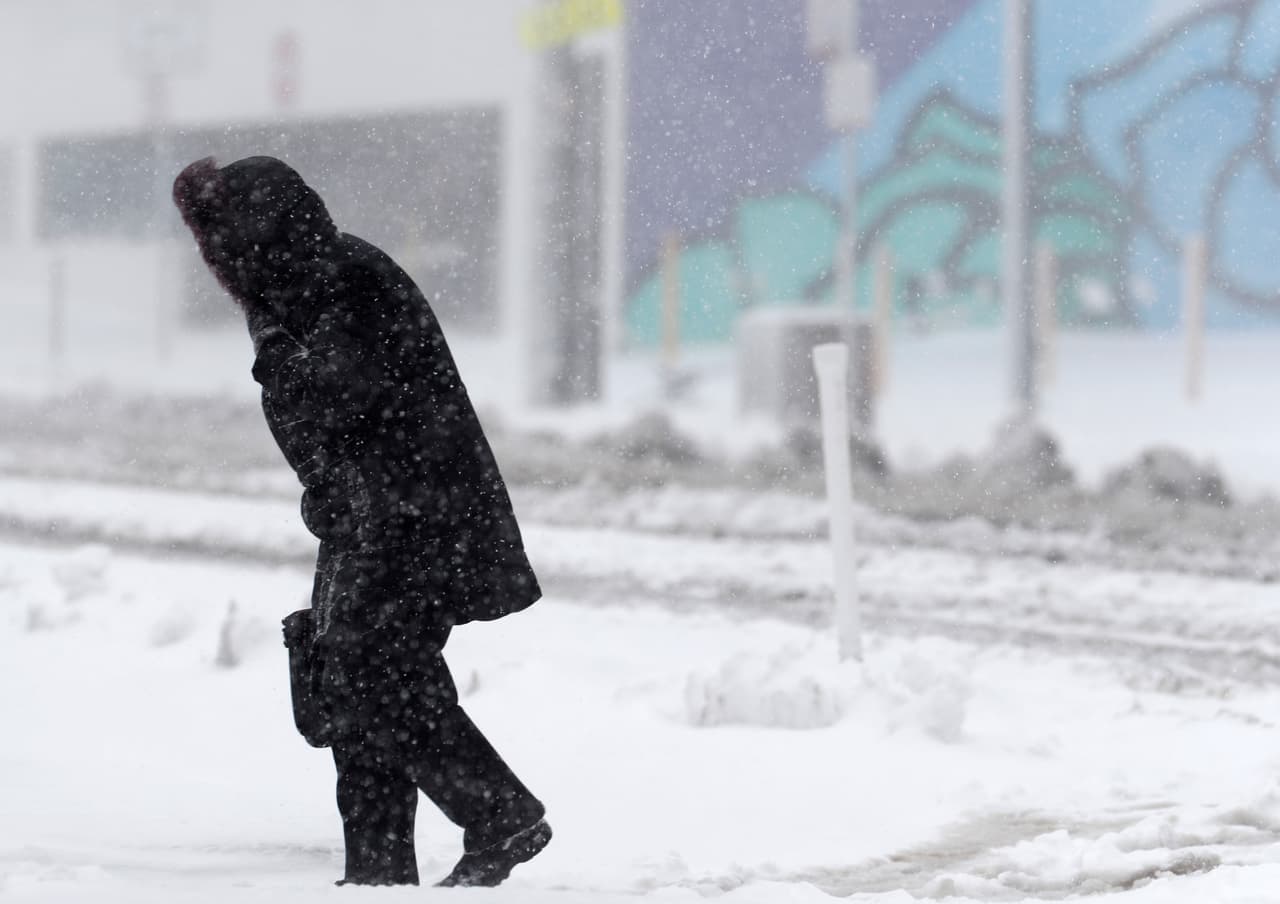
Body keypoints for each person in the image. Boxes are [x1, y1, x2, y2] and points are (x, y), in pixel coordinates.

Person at [172, 155, 551, 888]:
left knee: (366, 670)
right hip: (371, 516)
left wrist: (279, 362)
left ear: (263, 234)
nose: (220, 261)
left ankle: (498, 812)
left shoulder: (343, 280)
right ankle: (378, 876)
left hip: (414, 515)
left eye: (227, 241)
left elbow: (343, 397)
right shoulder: (299, 290)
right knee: (353, 683)